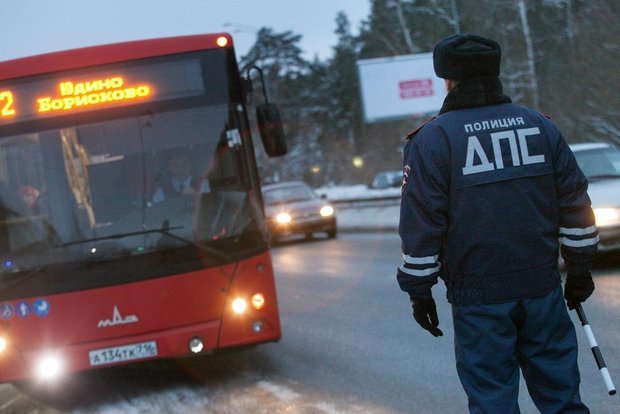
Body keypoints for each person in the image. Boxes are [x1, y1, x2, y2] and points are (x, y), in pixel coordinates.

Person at [397, 34, 598, 413]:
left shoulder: (433, 140)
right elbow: (575, 202)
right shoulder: (539, 126)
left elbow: (421, 224)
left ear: (448, 79)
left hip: (478, 299)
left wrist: (419, 291)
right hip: (542, 288)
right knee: (562, 399)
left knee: (493, 403)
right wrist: (580, 268)